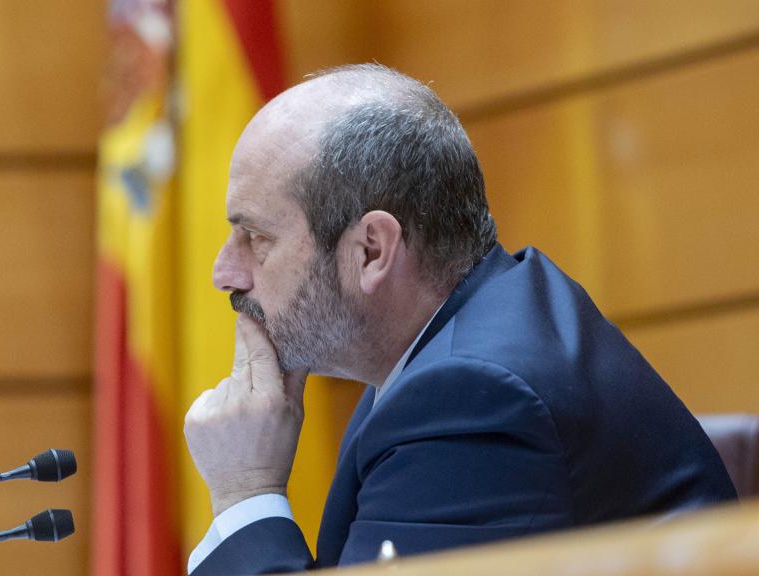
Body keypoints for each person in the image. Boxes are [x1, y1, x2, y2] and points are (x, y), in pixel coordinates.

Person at [183, 64, 736, 575]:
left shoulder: (471, 398)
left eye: (256, 238)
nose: (224, 273)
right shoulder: (450, 348)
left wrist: (245, 494)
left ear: (372, 250)